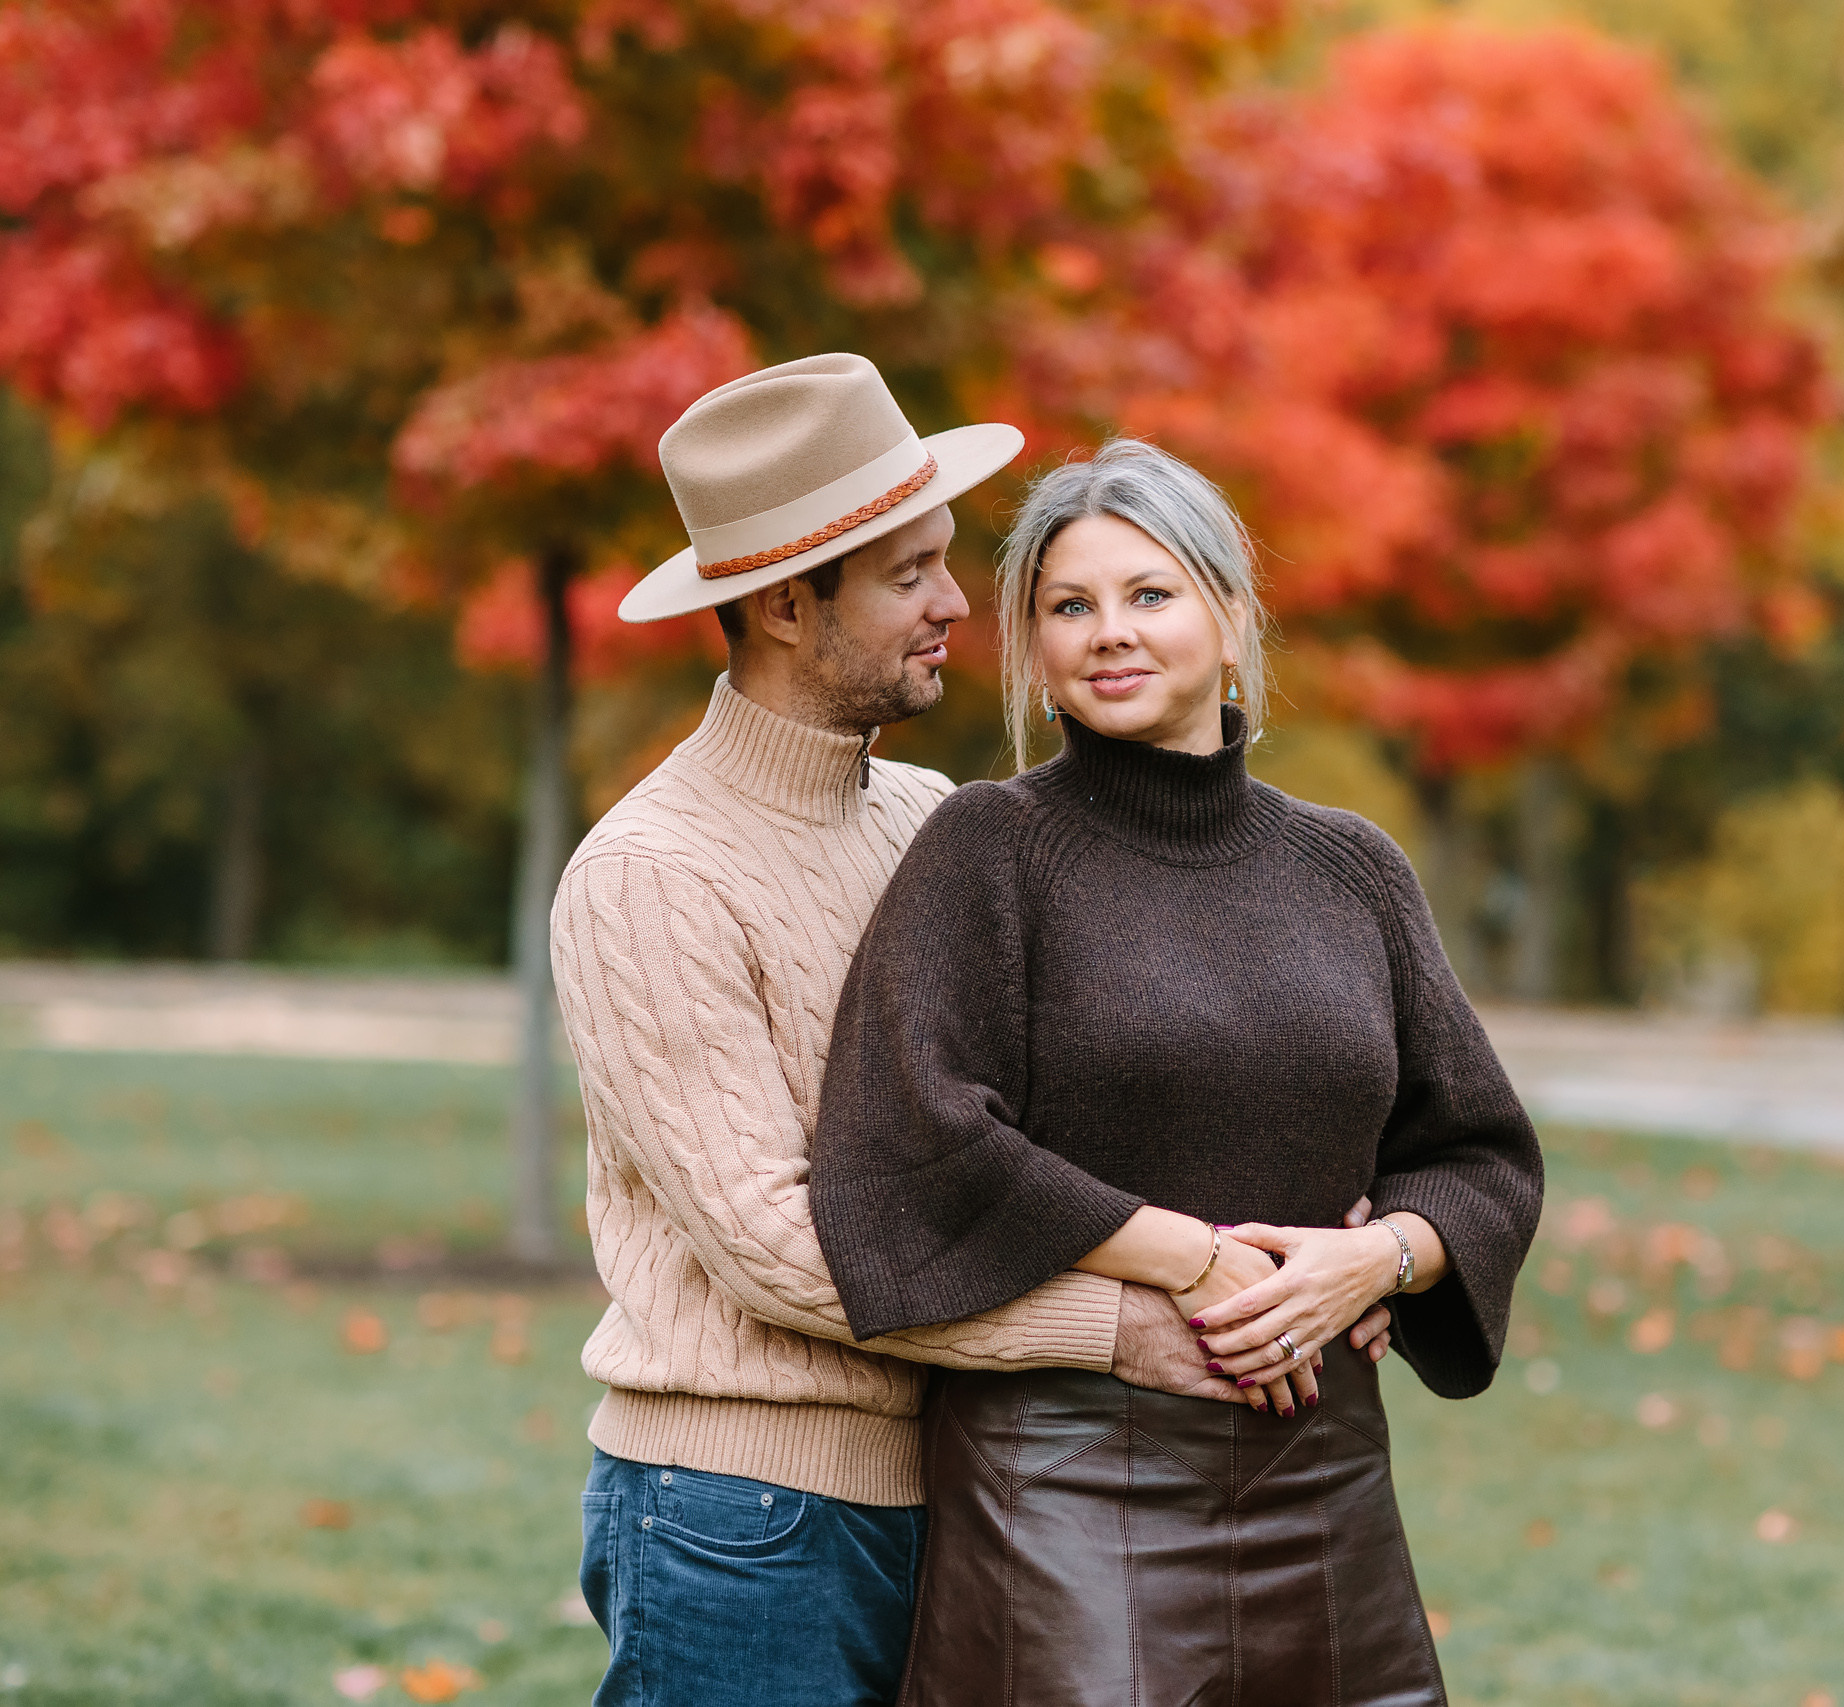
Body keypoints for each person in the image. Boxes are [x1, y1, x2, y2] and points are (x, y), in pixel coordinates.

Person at [551, 360, 1397, 1707]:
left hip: (954, 1484)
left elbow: (1029, 1118)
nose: (958, 601)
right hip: (748, 1510)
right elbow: (780, 1244)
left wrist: (1337, 1235)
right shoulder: (652, 872)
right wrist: (1126, 1320)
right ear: (783, 601)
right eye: (909, 574)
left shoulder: (926, 816)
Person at [810, 437, 1545, 1705]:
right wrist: (1192, 1256)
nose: (1109, 633)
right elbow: (914, 1144)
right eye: (1066, 605)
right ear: (1031, 647)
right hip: (1065, 1475)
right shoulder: (990, 848)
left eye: (1148, 594)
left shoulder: (1350, 868)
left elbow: (1479, 1157)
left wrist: (1378, 1259)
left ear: (1231, 614)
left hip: (1320, 1472)